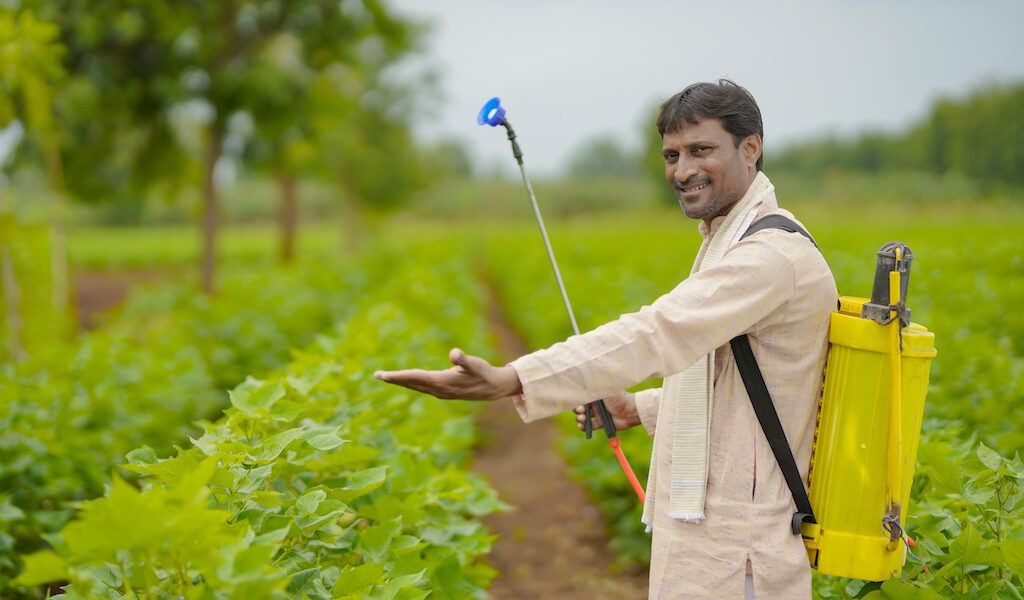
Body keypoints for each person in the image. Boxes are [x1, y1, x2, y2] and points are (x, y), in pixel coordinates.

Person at [375, 79, 837, 599]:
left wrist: (513, 378)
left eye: (700, 150)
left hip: (740, 558)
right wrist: (636, 408)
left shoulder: (767, 256)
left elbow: (658, 333)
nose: (682, 170)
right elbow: (741, 391)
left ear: (750, 148)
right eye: (671, 154)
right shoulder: (732, 239)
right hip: (718, 543)